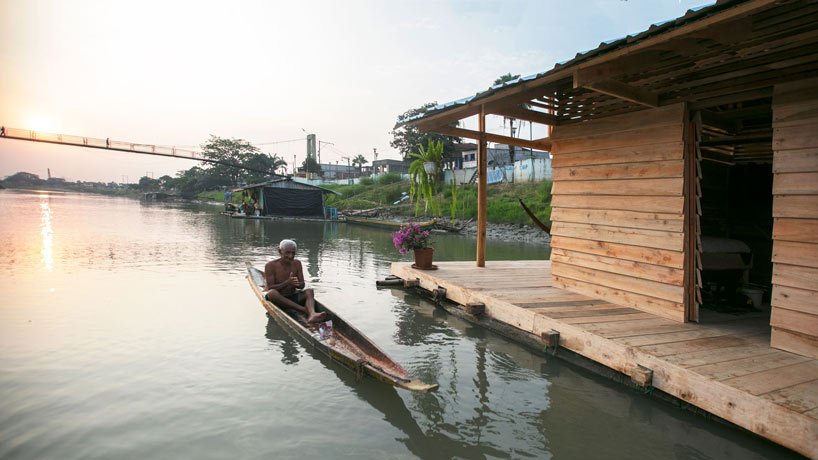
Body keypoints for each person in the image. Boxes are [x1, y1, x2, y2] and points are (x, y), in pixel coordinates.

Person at [264, 239, 326, 323]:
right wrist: (287, 282)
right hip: (279, 299)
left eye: (293, 253)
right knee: (271, 293)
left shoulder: (297, 263)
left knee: (309, 291)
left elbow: (302, 285)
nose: (291, 256)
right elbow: (270, 287)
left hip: (292, 296)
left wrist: (296, 284)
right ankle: (304, 310)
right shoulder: (270, 265)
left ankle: (312, 314)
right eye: (287, 253)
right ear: (280, 251)